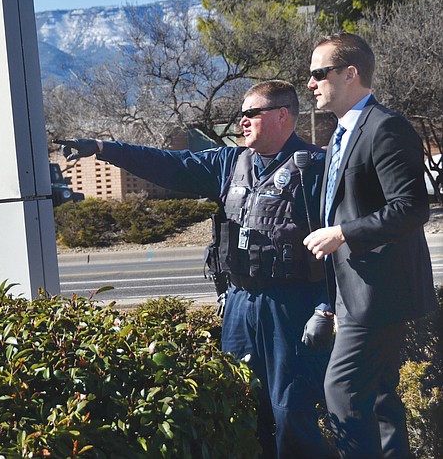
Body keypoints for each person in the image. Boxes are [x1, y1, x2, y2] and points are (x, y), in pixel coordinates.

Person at [55, 80, 333, 458]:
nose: (242, 122)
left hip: (291, 306)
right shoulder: (229, 163)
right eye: (241, 114)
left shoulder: (315, 168)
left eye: (251, 113)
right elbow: (169, 165)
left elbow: (339, 248)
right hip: (239, 305)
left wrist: (325, 307)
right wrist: (104, 149)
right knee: (239, 407)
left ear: (282, 115)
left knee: (291, 414)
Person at [303, 33, 438, 458]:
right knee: (380, 399)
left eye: (318, 73)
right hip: (351, 291)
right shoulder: (342, 132)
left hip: (377, 294)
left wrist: (343, 233)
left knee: (341, 391)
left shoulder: (385, 126)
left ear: (350, 73)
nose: (311, 83)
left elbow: (412, 208)